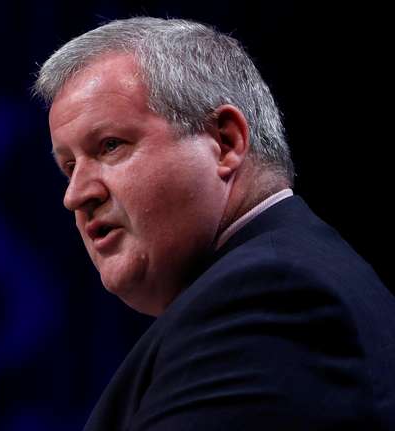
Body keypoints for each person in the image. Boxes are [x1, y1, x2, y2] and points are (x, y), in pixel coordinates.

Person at [34, 17, 395, 430]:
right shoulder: (278, 280)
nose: (75, 195)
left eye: (110, 146)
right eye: (68, 167)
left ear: (225, 143)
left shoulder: (271, 297)